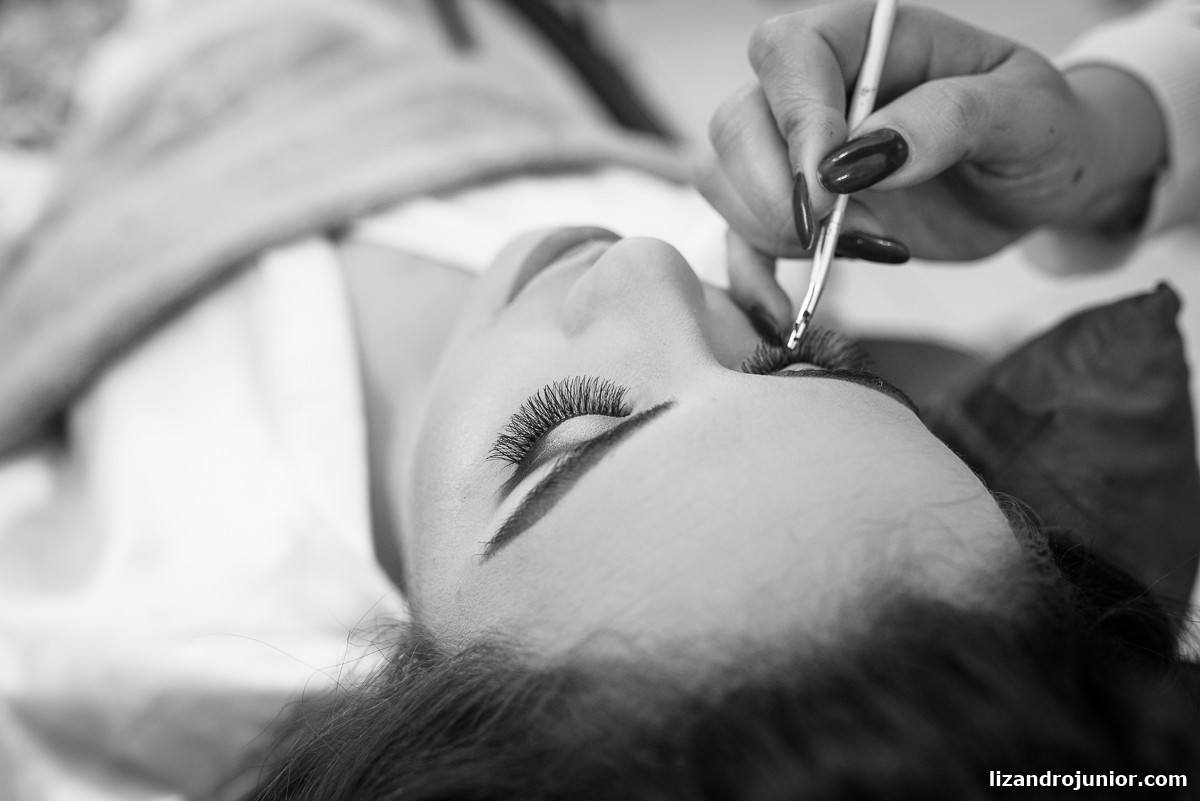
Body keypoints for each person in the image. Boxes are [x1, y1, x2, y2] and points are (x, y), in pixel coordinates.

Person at [0, 1, 1196, 799]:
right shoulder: (728, 266)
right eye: (800, 363)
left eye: (563, 431)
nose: (653, 263)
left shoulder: (119, 622)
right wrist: (1111, 129)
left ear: (406, 702)